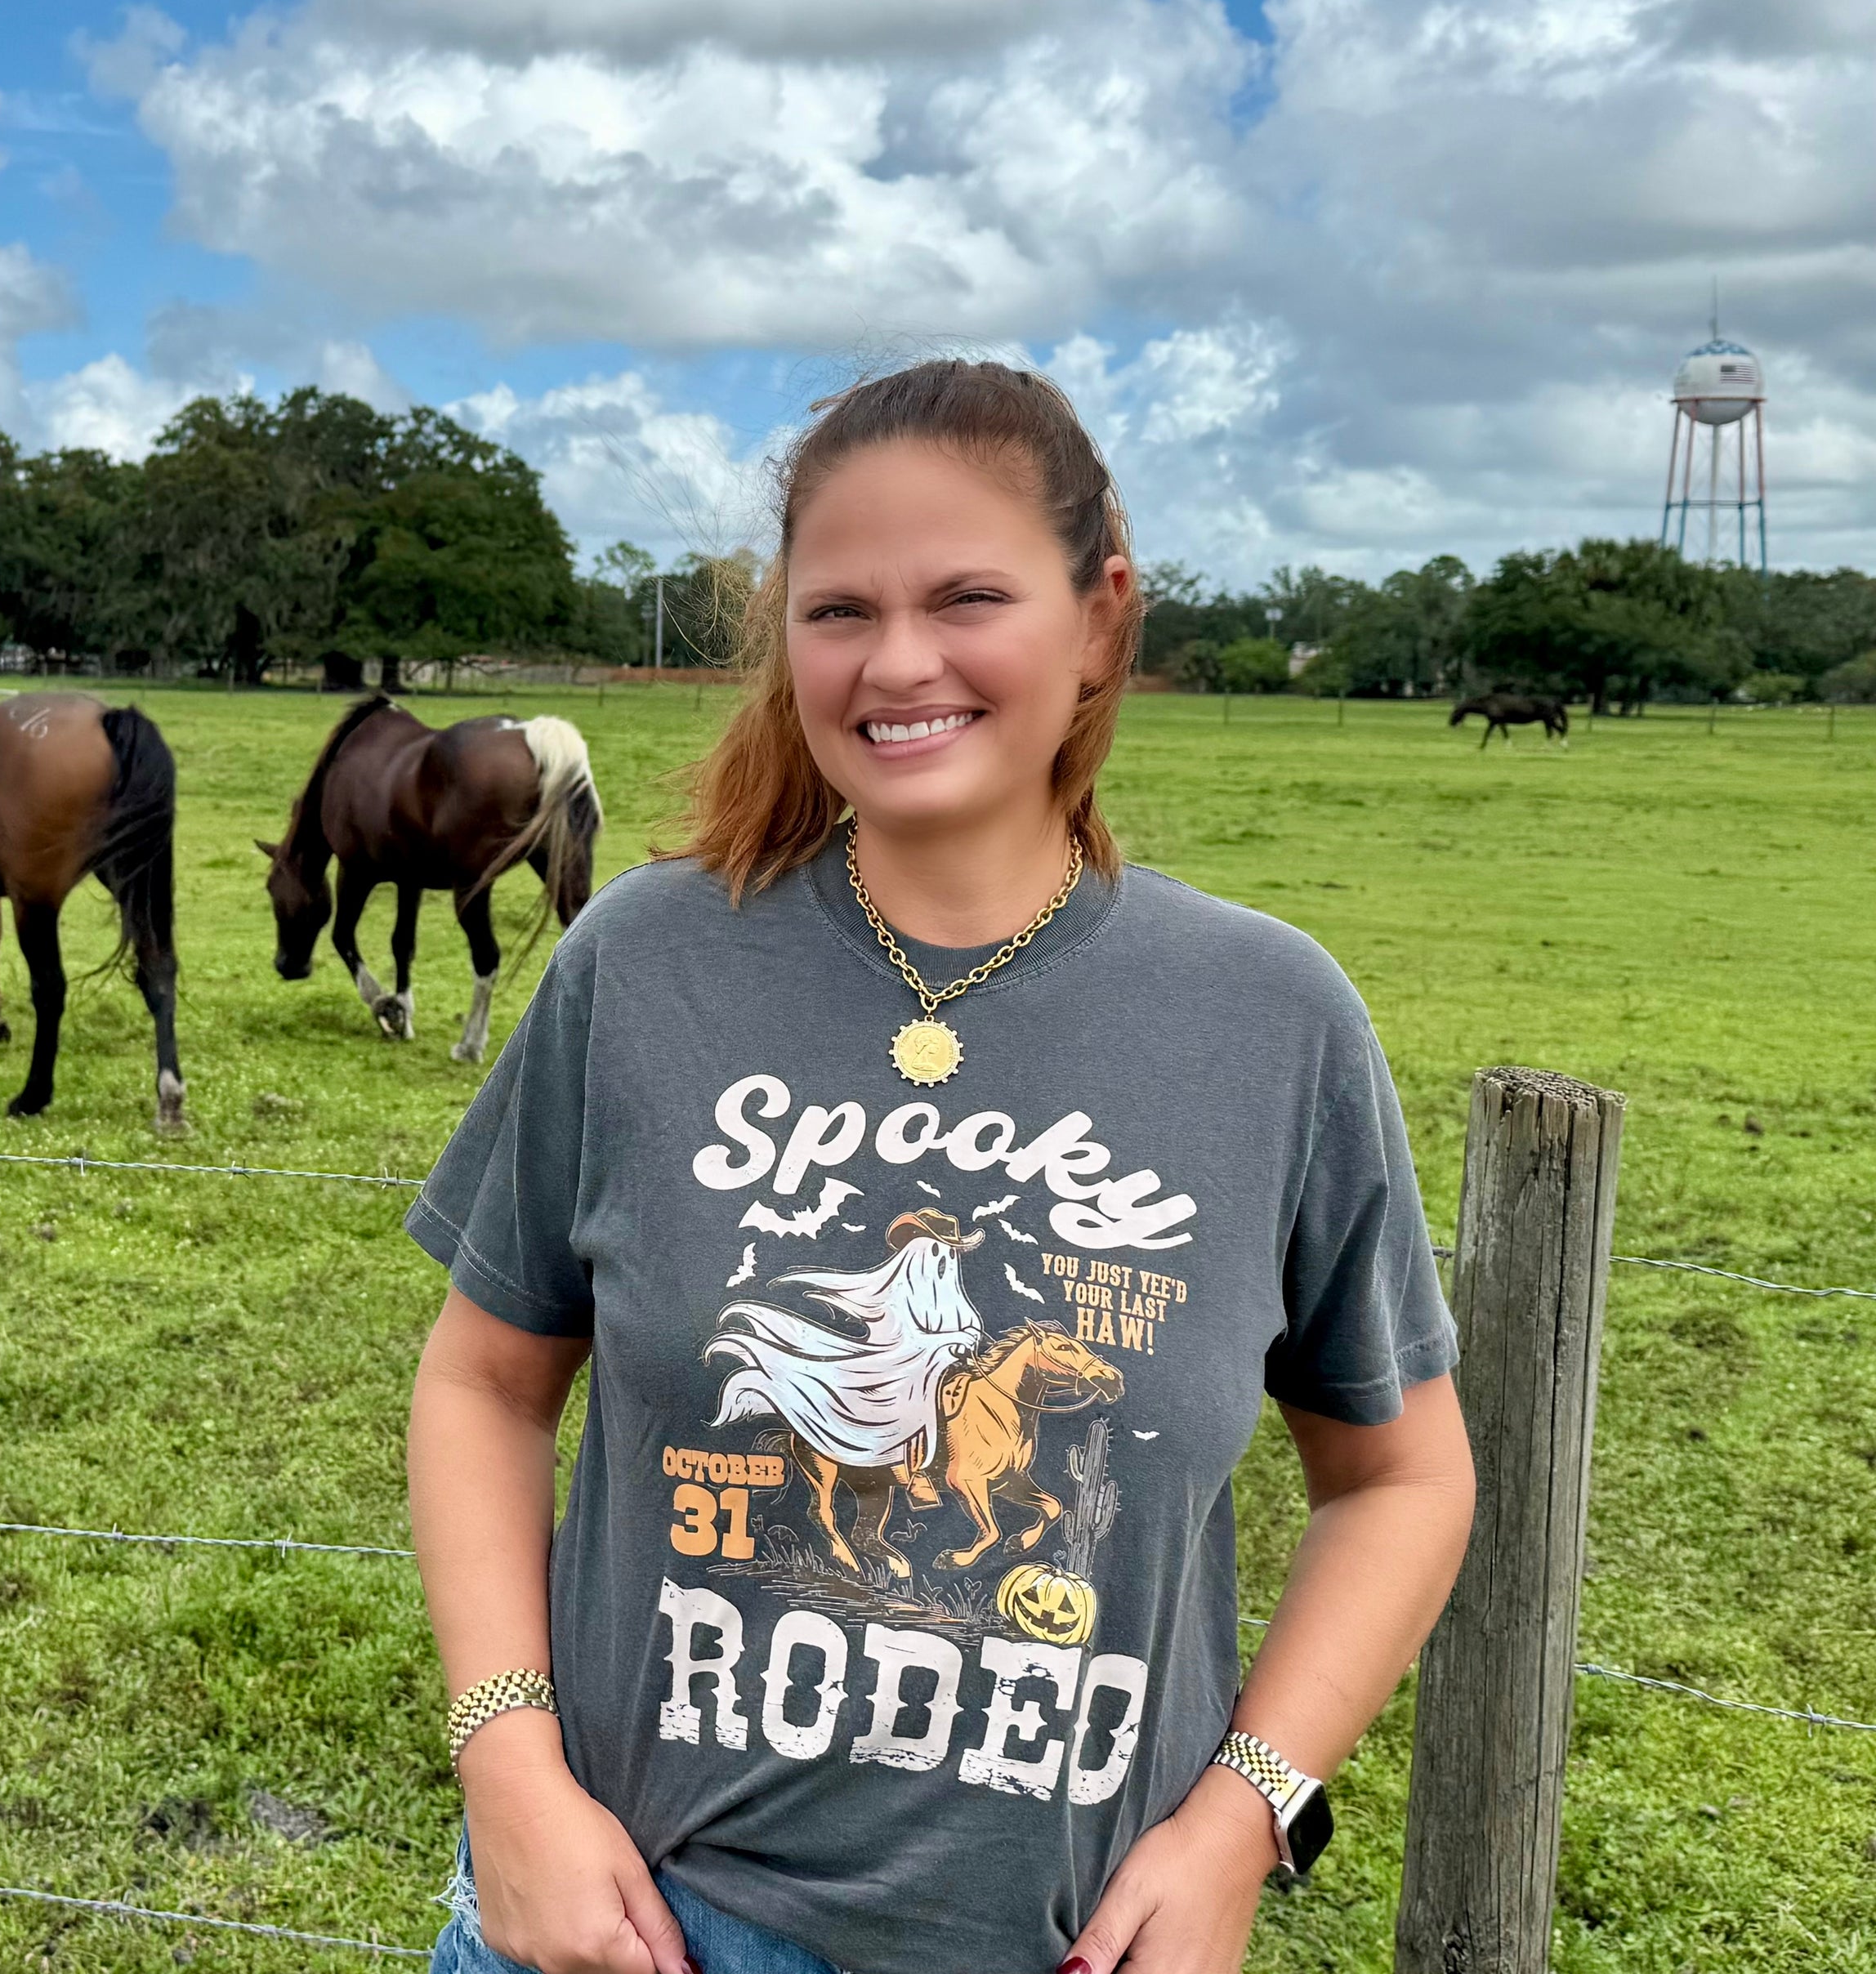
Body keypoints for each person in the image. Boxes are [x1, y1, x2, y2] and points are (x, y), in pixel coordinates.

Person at [404, 361, 1475, 1974]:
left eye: (969, 595)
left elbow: (1403, 1477)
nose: (899, 663)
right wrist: (507, 1767)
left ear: (1102, 613)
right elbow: (482, 1382)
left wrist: (1242, 1816)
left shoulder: (1269, 1020)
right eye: (841, 611)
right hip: (648, 1921)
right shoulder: (646, 966)